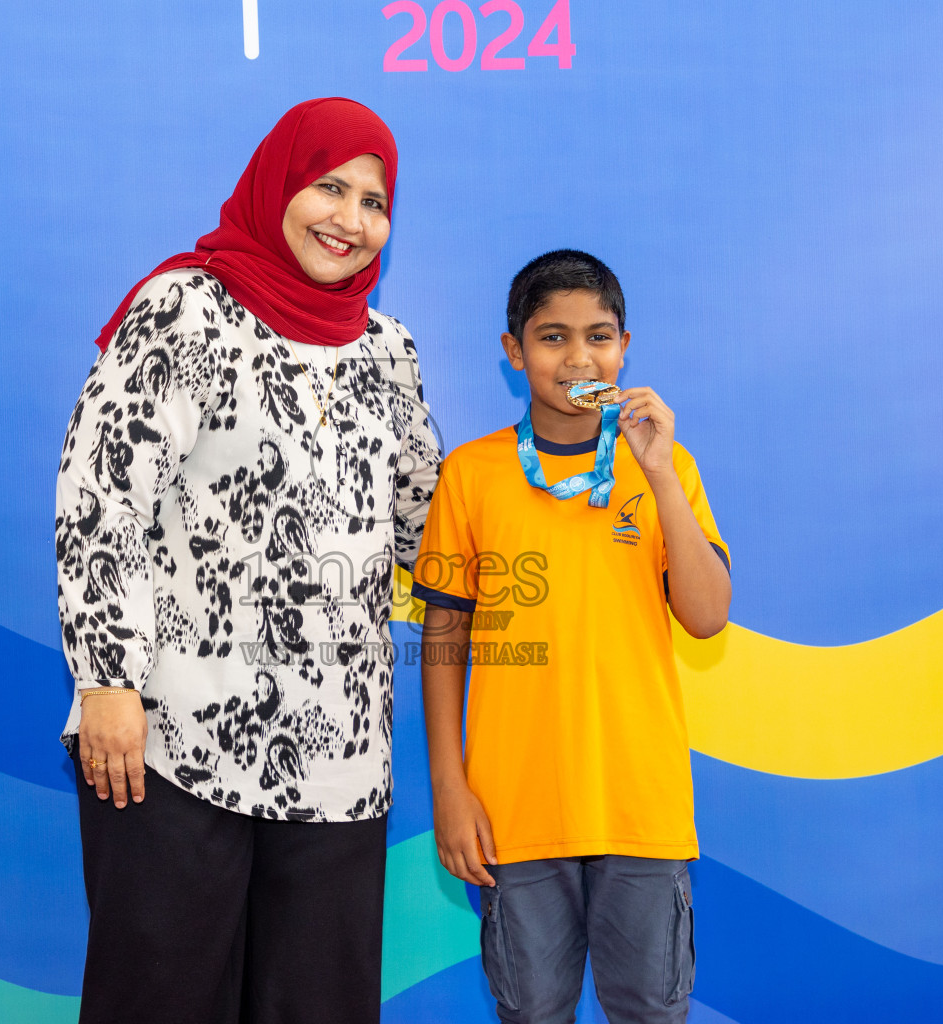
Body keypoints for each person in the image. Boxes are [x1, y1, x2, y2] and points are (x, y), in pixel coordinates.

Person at [54, 97, 440, 1024]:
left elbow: (423, 527)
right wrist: (108, 682)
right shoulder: (185, 309)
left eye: (375, 201)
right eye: (330, 187)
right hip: (170, 742)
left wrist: (563, 477)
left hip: (339, 758)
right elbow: (101, 494)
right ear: (279, 185)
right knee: (160, 1003)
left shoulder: (389, 352)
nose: (352, 219)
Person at [414, 249, 731, 1024]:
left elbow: (707, 615)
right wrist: (451, 790)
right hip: (515, 810)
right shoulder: (472, 475)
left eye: (600, 336)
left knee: (652, 1012)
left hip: (639, 808)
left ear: (625, 348)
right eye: (552, 337)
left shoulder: (667, 467)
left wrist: (656, 475)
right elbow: (444, 635)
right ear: (514, 351)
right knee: (531, 1013)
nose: (579, 357)